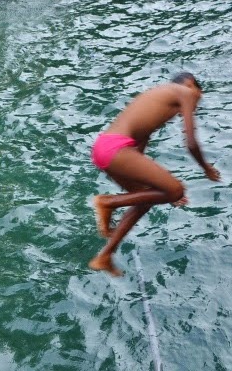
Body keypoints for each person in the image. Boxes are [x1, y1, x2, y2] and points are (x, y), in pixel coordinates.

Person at [88, 73, 221, 276]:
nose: (196, 104)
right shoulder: (186, 92)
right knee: (176, 190)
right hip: (115, 150)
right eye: (199, 97)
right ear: (191, 85)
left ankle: (105, 256)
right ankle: (107, 203)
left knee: (147, 199)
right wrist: (206, 169)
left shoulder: (158, 96)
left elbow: (140, 143)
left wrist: (162, 193)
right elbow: (191, 143)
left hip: (104, 148)